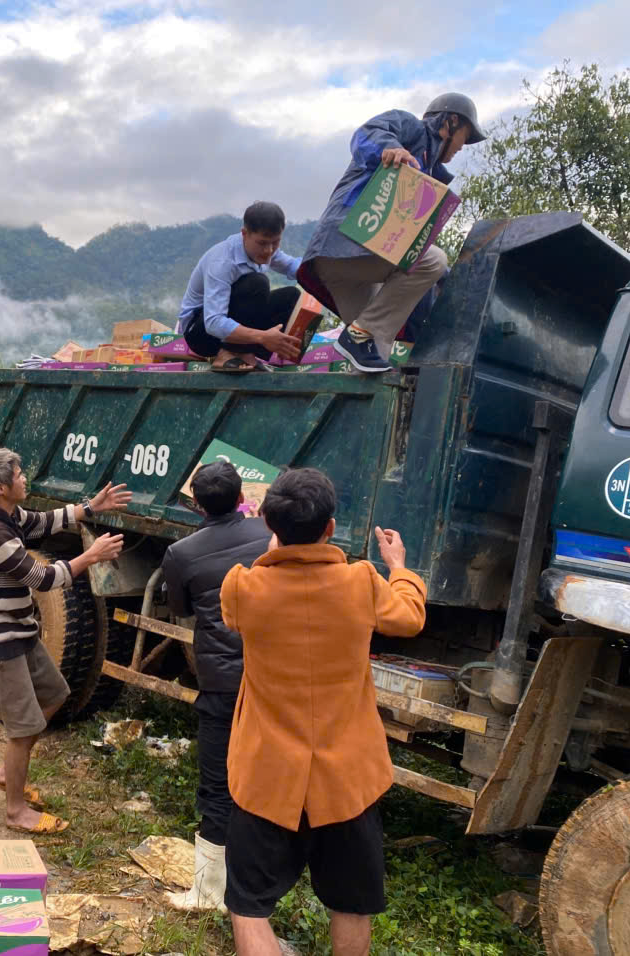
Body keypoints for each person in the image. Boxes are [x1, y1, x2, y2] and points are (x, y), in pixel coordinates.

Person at [220, 468, 427, 956]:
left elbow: (241, 604)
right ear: (331, 528)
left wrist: (277, 551)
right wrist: (397, 565)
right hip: (347, 780)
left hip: (266, 776)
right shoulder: (362, 583)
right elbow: (410, 616)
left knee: (248, 905)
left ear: (270, 523)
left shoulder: (242, 589)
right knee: (351, 905)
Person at [0, 447, 131, 833]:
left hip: (21, 633)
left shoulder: (7, 515)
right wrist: (91, 556)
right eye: (20, 475)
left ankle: (9, 772)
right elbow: (42, 579)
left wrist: (91, 507)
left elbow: (43, 521)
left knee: (55, 695)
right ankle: (15, 811)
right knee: (22, 730)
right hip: (0, 642)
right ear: (2, 487)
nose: (25, 480)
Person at [300, 93, 486, 373]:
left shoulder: (429, 171)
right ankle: (355, 336)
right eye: (465, 136)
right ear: (450, 121)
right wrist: (390, 148)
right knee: (433, 260)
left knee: (373, 349)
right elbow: (366, 133)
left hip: (345, 266)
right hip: (347, 242)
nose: (463, 146)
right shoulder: (412, 128)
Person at [160, 462, 270, 913]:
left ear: (196, 503)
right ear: (244, 495)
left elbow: (180, 609)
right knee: (265, 776)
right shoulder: (269, 533)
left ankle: (208, 892)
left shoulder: (182, 553)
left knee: (218, 782)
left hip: (222, 684)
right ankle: (261, 878)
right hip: (269, 679)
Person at [177, 201, 306, 373]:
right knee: (257, 283)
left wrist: (324, 277)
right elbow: (213, 322)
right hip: (202, 335)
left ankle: (247, 353)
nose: (269, 250)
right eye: (262, 243)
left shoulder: (265, 250)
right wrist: (262, 337)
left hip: (232, 331)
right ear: (244, 234)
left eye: (275, 242)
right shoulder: (223, 261)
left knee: (291, 296)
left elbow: (293, 266)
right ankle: (225, 355)